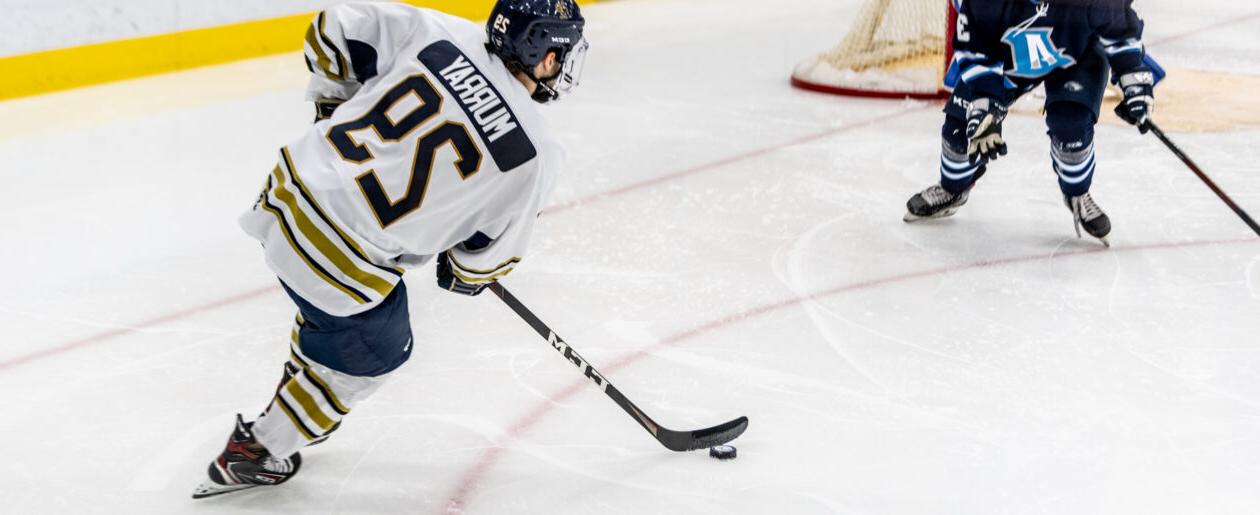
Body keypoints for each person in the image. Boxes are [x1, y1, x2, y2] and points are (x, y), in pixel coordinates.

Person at [193, 0, 588, 498]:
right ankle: (256, 452)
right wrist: (462, 268)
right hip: (341, 264)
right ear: (545, 57)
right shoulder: (536, 152)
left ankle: (311, 370)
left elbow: (332, 26)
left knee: (342, 313)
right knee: (377, 349)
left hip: (287, 190)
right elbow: (483, 262)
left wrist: (331, 112)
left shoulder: (443, 33)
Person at [903, 0, 1156, 246]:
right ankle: (952, 188)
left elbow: (1120, 31)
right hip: (1010, 58)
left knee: (1071, 126)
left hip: (1077, 54)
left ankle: (1077, 193)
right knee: (960, 131)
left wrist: (1135, 83)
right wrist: (985, 107)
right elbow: (976, 51)